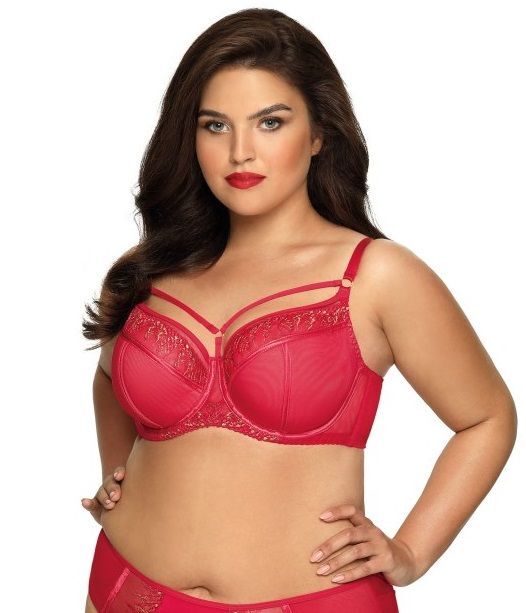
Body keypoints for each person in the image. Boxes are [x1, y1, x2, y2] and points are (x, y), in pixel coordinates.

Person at [81, 8, 517, 613]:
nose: (240, 152)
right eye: (215, 125)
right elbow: (109, 379)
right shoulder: (144, 270)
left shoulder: (376, 276)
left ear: (318, 134)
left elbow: (487, 417)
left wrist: (411, 552)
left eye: (270, 122)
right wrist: (116, 472)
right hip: (126, 589)